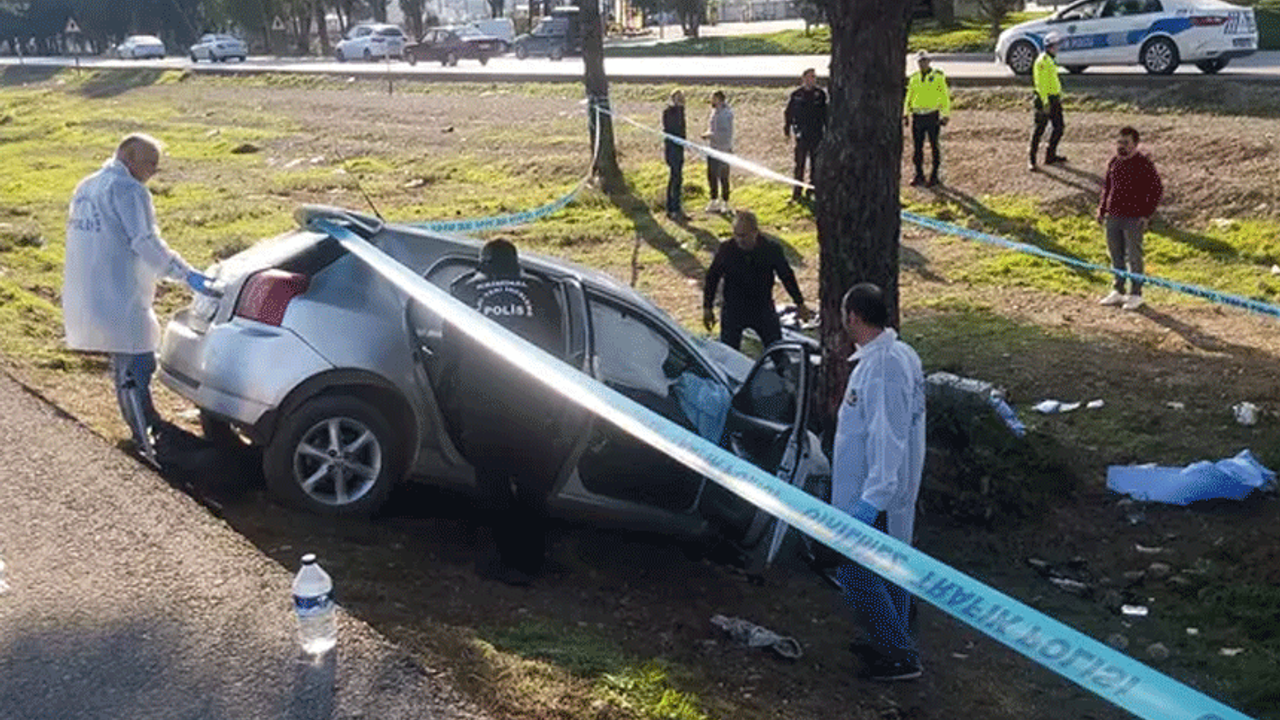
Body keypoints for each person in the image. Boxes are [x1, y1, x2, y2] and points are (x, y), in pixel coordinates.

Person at [62, 133, 217, 466]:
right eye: (150, 164)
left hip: (92, 289)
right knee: (136, 364)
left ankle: (145, 427)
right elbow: (146, 242)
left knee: (126, 362)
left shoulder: (88, 185)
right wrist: (185, 273)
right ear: (128, 156)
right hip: (120, 292)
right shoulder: (128, 190)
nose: (153, 172)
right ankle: (146, 437)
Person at [439, 239, 565, 586]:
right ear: (516, 264)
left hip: (481, 404)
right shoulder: (540, 291)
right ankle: (532, 560)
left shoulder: (464, 290)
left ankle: (501, 562)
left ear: (483, 265)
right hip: (531, 402)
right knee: (532, 486)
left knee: (492, 484)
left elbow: (450, 348)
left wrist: (453, 392)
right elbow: (556, 345)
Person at [831, 283, 927, 682]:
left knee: (856, 572)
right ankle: (893, 639)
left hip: (877, 497)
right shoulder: (895, 356)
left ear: (853, 317)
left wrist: (871, 503)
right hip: (883, 492)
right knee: (891, 570)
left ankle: (900, 655)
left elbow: (888, 438)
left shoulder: (884, 368)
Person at [702, 210, 811, 351]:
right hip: (734, 308)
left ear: (755, 232)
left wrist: (799, 303)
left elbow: (786, 276)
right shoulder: (726, 249)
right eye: (736, 235)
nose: (740, 240)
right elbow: (712, 278)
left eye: (744, 235)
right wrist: (707, 307)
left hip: (762, 307)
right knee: (729, 352)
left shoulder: (770, 249)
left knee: (777, 350)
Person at [1097, 126, 1163, 311]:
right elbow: (1107, 187)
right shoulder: (1114, 162)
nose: (1121, 146)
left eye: (1125, 143)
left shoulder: (1144, 164)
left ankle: (1136, 293)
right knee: (1115, 254)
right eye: (1119, 142)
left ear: (1135, 144)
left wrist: (1146, 214)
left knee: (1134, 256)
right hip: (1113, 216)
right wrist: (1102, 210)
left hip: (1134, 218)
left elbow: (1156, 190)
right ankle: (1118, 289)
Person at [902, 51, 951, 188]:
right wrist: (906, 113)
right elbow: (909, 96)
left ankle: (935, 176)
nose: (922, 64)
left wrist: (945, 114)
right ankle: (919, 174)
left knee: (934, 145)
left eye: (924, 61)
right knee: (917, 147)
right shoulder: (914, 78)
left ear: (929, 62)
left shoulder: (937, 77)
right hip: (918, 116)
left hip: (932, 115)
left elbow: (944, 96)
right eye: (920, 61)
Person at [784, 68, 827, 202]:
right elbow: (789, 112)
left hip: (816, 134)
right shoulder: (797, 95)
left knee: (815, 165)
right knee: (799, 164)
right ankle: (797, 192)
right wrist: (787, 129)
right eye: (809, 77)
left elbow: (825, 114)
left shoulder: (820, 94)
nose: (811, 80)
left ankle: (812, 190)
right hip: (801, 135)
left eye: (813, 77)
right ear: (803, 79)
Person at [1029, 32, 1067, 171]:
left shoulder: (1050, 59)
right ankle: (1032, 160)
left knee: (1059, 127)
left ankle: (1050, 155)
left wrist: (1058, 95)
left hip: (1054, 99)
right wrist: (1045, 103)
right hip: (1044, 99)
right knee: (1039, 130)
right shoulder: (1043, 61)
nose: (1058, 48)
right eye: (1057, 45)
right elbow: (1041, 85)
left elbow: (1052, 81)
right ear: (1051, 46)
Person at [701, 90, 734, 214]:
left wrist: (709, 135)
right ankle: (714, 200)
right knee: (711, 175)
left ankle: (725, 202)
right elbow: (713, 128)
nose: (711, 100)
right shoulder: (714, 112)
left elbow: (725, 133)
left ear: (719, 99)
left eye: (713, 98)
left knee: (724, 177)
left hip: (724, 150)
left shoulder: (726, 114)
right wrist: (709, 134)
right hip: (712, 149)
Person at [662, 89, 688, 221]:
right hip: (672, 149)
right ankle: (672, 208)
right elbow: (673, 129)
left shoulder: (681, 111)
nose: (680, 100)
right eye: (678, 98)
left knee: (678, 179)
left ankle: (676, 207)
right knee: (675, 178)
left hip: (679, 149)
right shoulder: (669, 112)